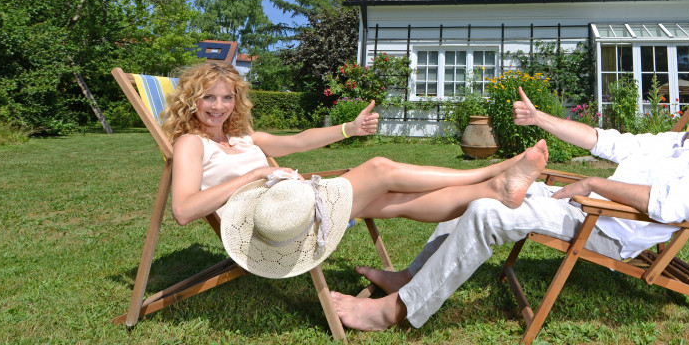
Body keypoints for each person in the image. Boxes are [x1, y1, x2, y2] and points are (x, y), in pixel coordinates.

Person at [330, 74, 689, 331]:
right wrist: (539, 119)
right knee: (484, 189)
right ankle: (410, 277)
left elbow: (673, 207)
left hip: (607, 228)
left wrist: (597, 185)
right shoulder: (669, 141)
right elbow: (602, 140)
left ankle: (395, 311)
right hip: (585, 209)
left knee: (486, 210)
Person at [162, 62, 548, 277]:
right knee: (379, 168)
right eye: (208, 97)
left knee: (393, 200)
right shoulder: (191, 143)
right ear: (191, 100)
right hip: (273, 229)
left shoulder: (243, 137)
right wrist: (250, 177)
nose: (218, 106)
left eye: (226, 97)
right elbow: (182, 210)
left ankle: (493, 191)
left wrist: (350, 128)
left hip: (296, 204)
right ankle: (493, 171)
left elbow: (298, 141)